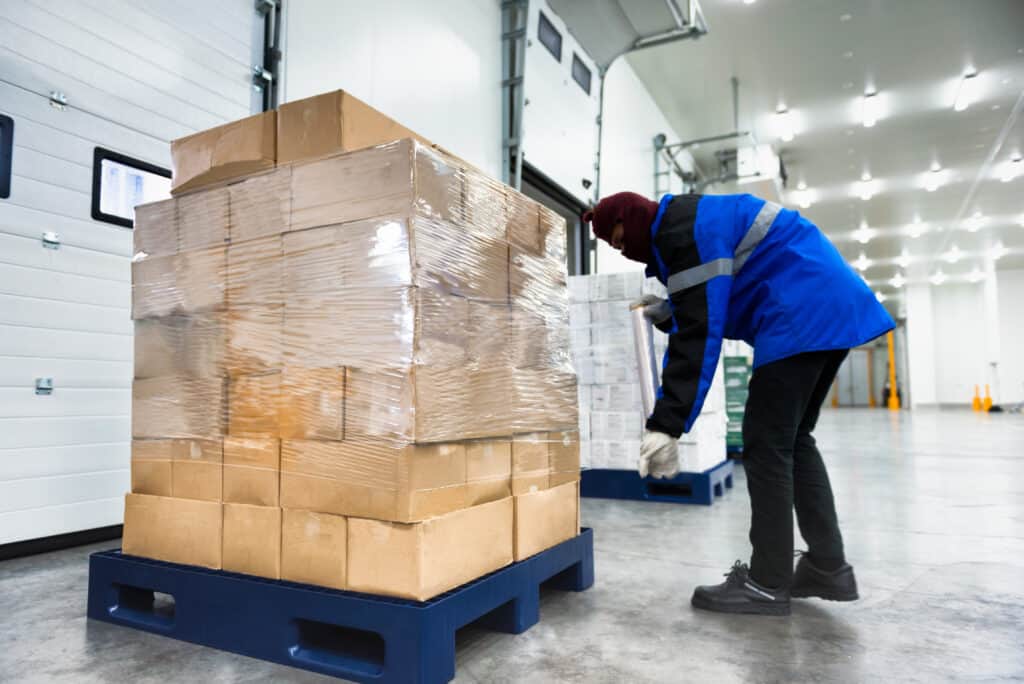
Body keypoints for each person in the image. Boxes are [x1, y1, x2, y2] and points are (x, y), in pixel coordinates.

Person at [584, 191, 895, 616]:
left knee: (766, 447)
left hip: (799, 311)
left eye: (618, 238)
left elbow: (700, 335)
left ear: (630, 216)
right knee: (794, 440)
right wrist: (671, 312)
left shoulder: (682, 231)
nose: (622, 250)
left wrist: (666, 425)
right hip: (828, 304)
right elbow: (720, 298)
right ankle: (827, 566)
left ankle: (766, 583)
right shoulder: (691, 222)